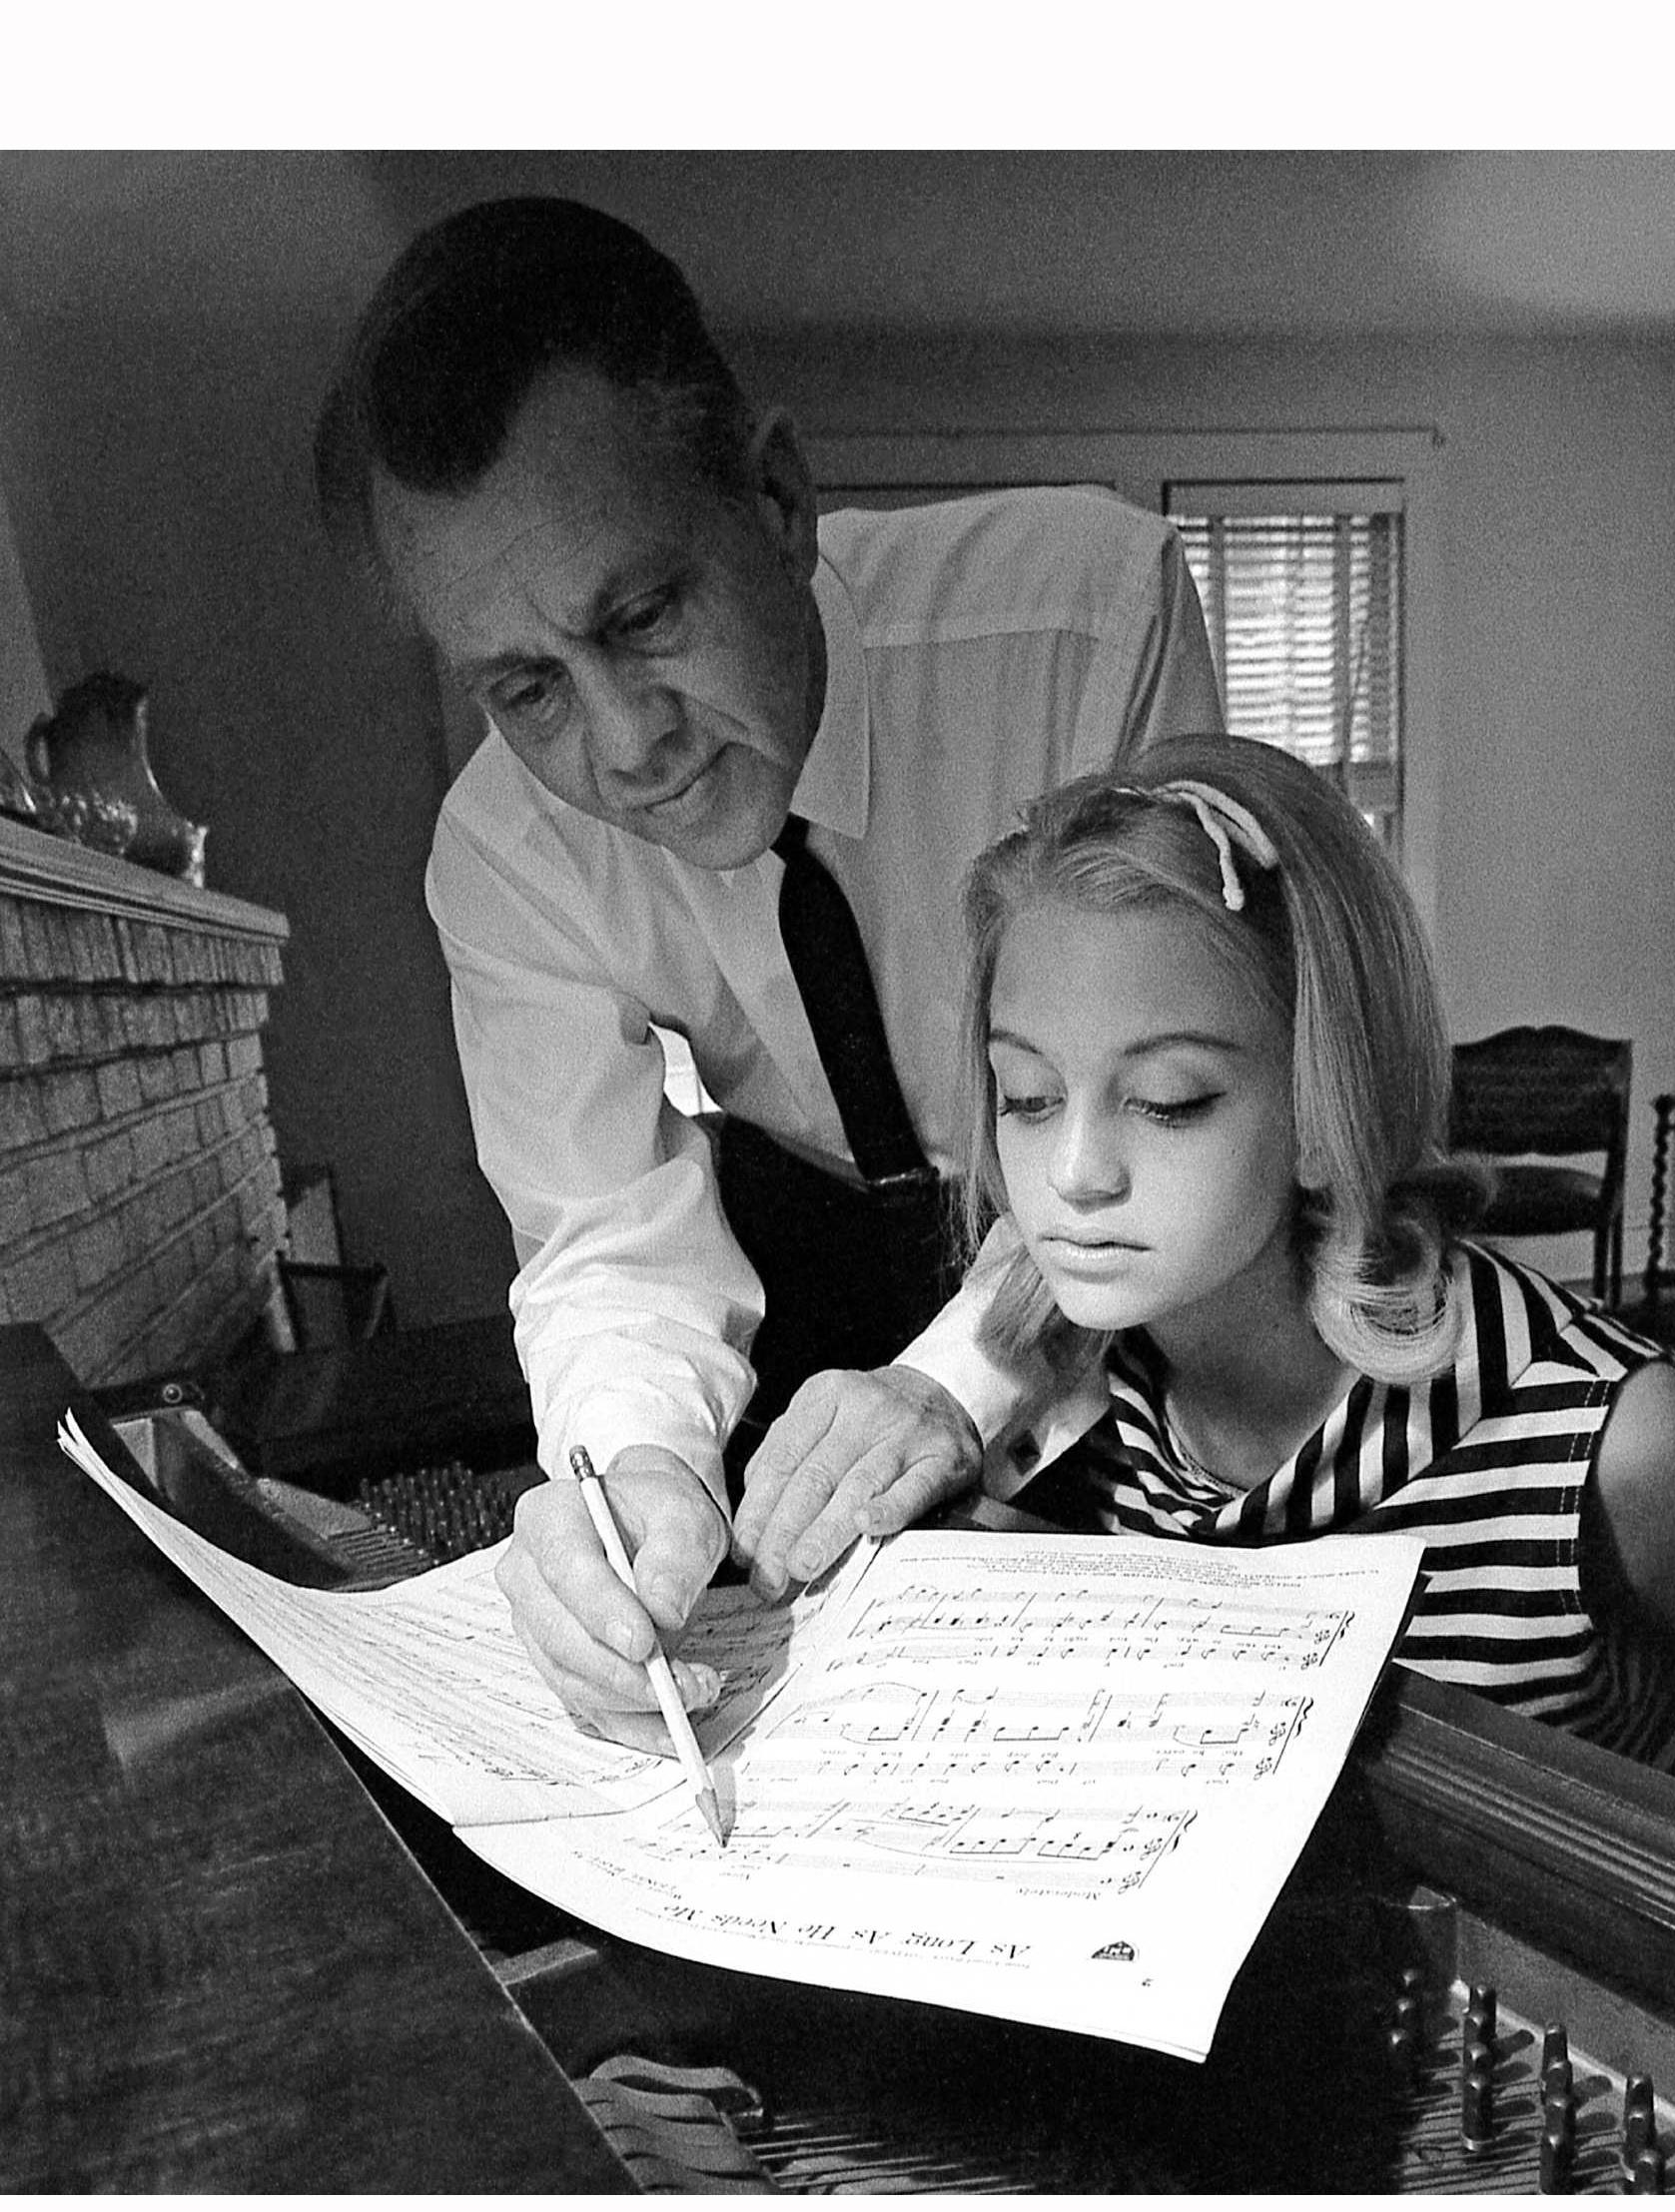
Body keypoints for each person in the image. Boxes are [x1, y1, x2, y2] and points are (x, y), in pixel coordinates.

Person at [312, 196, 1223, 1748]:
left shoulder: (1086, 620)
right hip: (826, 1267)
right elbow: (606, 1232)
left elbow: (1182, 1110)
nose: (623, 744)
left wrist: (955, 1388)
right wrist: (630, 1471)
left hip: (1177, 1297)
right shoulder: (504, 849)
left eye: (645, 614)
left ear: (780, 501)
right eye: (525, 686)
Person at [753, 733, 1675, 1785]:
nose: (1073, 1173)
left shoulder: (1628, 1452)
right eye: (1027, 1095)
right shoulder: (1053, 1405)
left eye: (1171, 1098)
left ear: (1328, 1105)